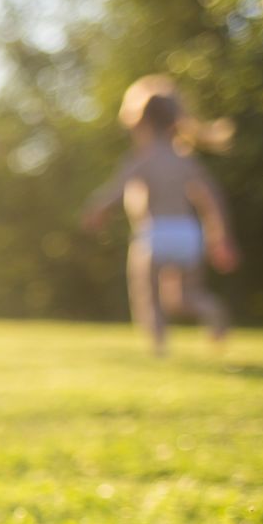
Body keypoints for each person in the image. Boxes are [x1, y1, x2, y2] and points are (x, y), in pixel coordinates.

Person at [81, 76, 238, 356]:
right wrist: (220, 235)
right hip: (188, 234)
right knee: (185, 297)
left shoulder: (142, 158)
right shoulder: (185, 160)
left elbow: (116, 190)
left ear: (139, 123)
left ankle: (159, 347)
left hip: (154, 233)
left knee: (148, 295)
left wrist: (97, 210)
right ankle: (212, 311)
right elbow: (211, 198)